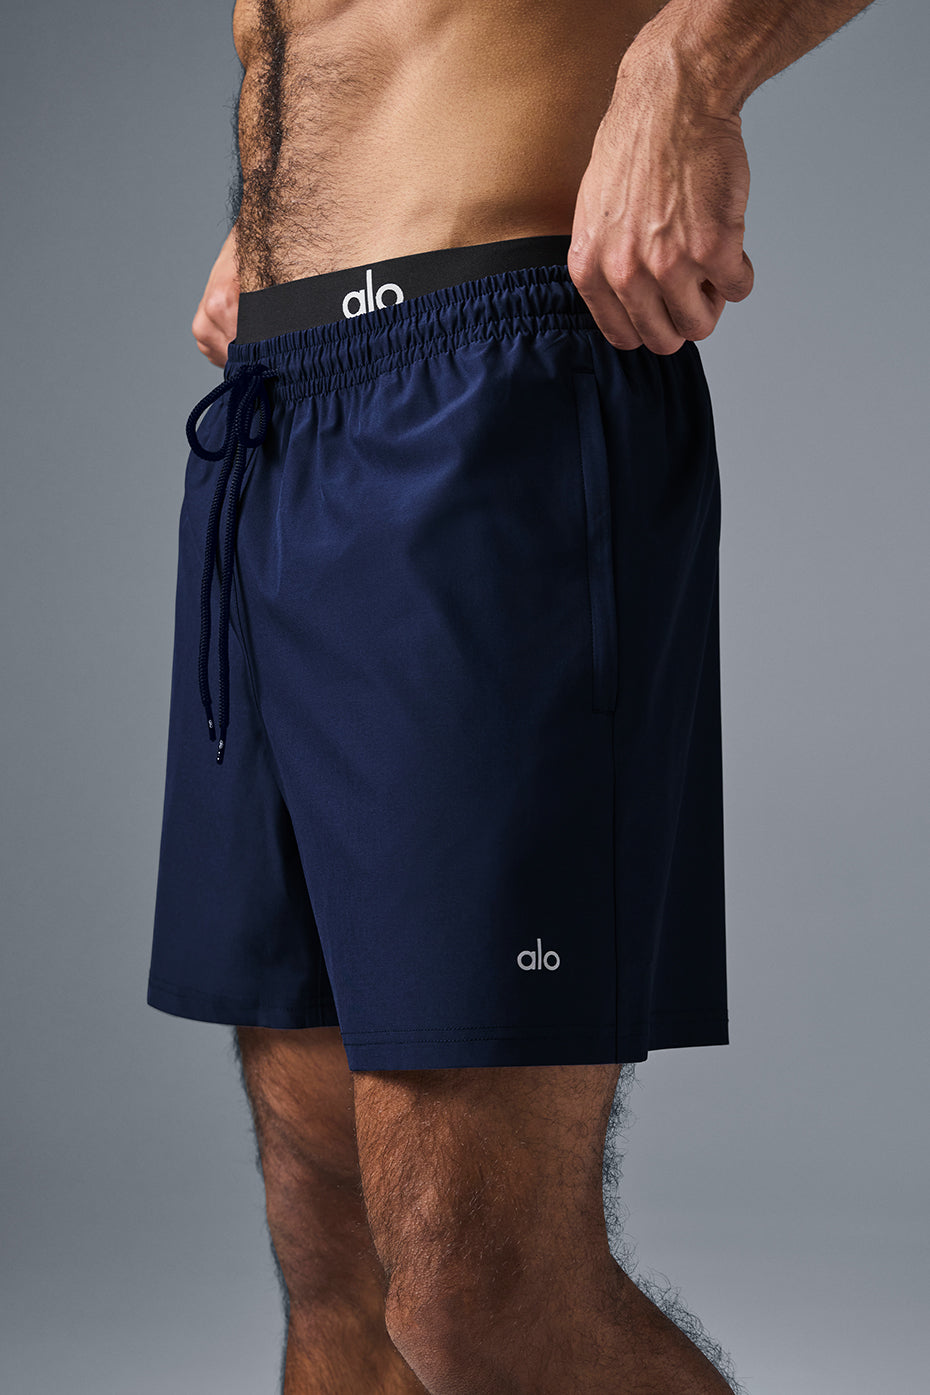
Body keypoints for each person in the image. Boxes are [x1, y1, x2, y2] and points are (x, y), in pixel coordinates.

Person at [150, 1, 876, 1391]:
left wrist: (687, 65)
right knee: (332, 1250)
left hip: (480, 393)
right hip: (276, 412)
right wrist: (283, 219)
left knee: (474, 1291)